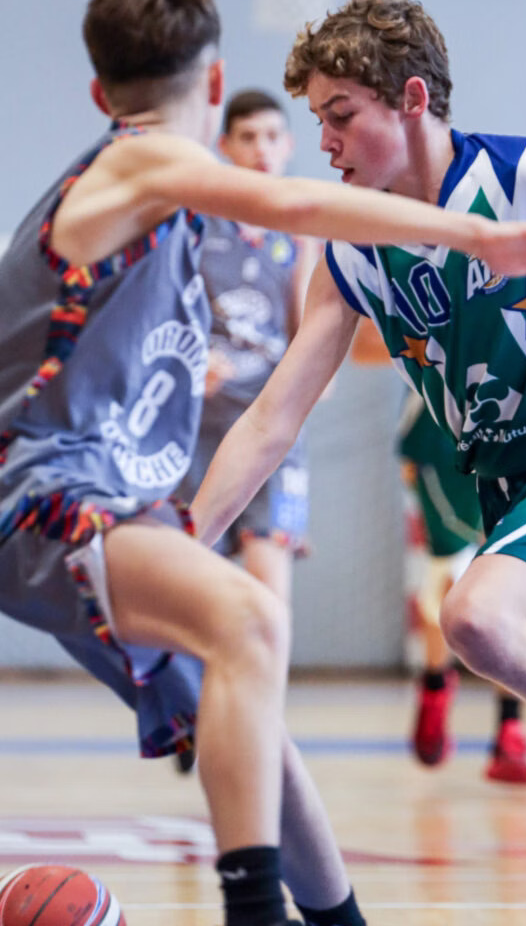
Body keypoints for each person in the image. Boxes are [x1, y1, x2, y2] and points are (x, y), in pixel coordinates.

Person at [0, 0, 526, 926]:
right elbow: (304, 209)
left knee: (249, 717)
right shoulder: (142, 161)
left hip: (99, 499)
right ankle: (255, 912)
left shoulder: (145, 193)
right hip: (43, 495)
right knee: (252, 623)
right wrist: (479, 235)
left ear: (99, 89)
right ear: (215, 81)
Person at [189, 0, 526, 888]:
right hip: (514, 497)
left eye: (341, 115)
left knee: (473, 619)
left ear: (411, 99)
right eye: (317, 120)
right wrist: (187, 543)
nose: (324, 141)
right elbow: (273, 417)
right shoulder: (351, 250)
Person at [174, 89, 318, 773]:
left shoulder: (302, 232)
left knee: (268, 585)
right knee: (193, 583)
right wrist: (186, 358)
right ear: (224, 147)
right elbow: (159, 316)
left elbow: (308, 334)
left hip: (270, 429)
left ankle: (261, 728)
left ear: (287, 146)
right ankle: (191, 708)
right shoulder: (194, 223)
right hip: (197, 427)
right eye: (248, 137)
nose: (261, 150)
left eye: (272, 137)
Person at [352, 321, 526, 781]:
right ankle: (435, 683)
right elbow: (363, 347)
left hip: (518, 435)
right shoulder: (423, 284)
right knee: (448, 577)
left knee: (513, 582)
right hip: (440, 442)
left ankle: (510, 726)